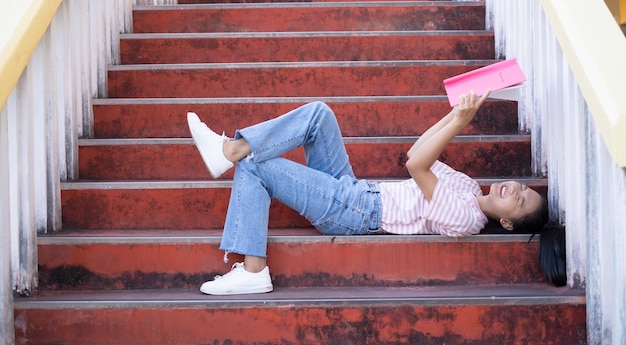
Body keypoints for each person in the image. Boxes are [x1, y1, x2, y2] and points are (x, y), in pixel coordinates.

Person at [187, 92, 548, 295]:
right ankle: (229, 152)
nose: (515, 190)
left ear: (506, 221)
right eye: (523, 189)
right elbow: (417, 152)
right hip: (358, 192)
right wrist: (455, 114)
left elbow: (416, 168)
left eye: (519, 201)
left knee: (254, 164)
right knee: (319, 115)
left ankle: (254, 270)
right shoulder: (469, 187)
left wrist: (458, 124)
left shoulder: (467, 220)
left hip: (356, 213)